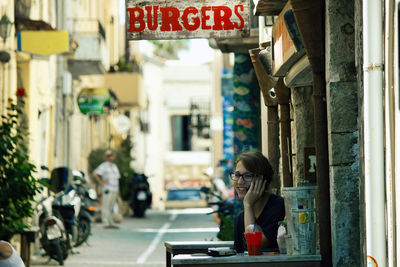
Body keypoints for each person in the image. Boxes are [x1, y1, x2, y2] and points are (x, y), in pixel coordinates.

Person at [232, 151, 285, 253]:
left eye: (247, 176)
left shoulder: (279, 206)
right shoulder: (241, 219)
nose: (239, 182)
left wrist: (248, 205)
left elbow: (255, 246)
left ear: (262, 179)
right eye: (237, 175)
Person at [92, 149, 121, 229]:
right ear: (107, 157)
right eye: (110, 156)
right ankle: (105, 222)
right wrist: (101, 182)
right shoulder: (104, 165)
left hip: (114, 189)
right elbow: (95, 173)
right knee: (106, 206)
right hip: (107, 189)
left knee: (111, 206)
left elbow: (117, 179)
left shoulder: (114, 166)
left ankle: (111, 222)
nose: (111, 157)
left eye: (112, 156)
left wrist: (118, 190)